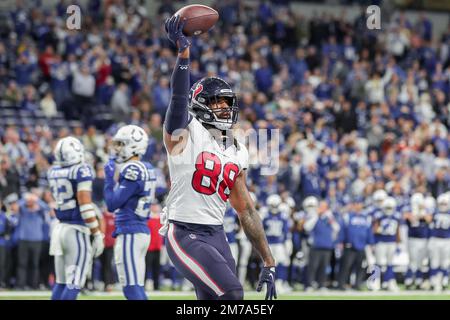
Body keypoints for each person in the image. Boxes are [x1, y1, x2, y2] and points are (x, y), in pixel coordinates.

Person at [160, 15, 276, 300]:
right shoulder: (186, 133)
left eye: (227, 102)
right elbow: (177, 98)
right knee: (232, 294)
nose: (224, 107)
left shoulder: (237, 148)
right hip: (184, 232)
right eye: (216, 101)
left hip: (216, 234)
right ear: (200, 105)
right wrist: (184, 54)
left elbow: (245, 210)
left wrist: (269, 260)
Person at [103, 125, 157, 300]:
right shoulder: (147, 167)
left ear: (133, 145)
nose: (117, 148)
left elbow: (112, 204)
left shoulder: (132, 169)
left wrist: (109, 180)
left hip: (130, 232)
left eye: (121, 144)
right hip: (140, 230)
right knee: (137, 287)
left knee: (131, 289)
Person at [48, 136, 105, 300]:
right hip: (76, 230)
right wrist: (96, 232)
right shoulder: (81, 170)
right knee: (75, 283)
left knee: (61, 282)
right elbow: (85, 206)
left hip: (59, 229)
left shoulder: (53, 171)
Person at [337, 199, 374, 290]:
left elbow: (369, 231)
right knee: (346, 266)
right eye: (356, 204)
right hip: (349, 245)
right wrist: (341, 241)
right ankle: (342, 284)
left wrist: (371, 243)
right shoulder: (347, 216)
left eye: (359, 204)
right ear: (353, 205)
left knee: (360, 267)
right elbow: (342, 230)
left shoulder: (366, 217)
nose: (358, 206)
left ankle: (357, 284)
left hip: (362, 246)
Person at [303, 200, 340, 291]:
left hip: (327, 246)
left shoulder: (329, 218)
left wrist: (330, 217)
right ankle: (309, 285)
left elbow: (337, 228)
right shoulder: (314, 217)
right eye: (321, 206)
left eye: (324, 207)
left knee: (324, 267)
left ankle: (321, 284)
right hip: (316, 246)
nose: (323, 209)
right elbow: (307, 227)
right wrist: (316, 215)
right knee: (313, 266)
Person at [403, 193, 432, 289]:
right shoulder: (409, 209)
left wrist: (420, 214)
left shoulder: (425, 210)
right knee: (412, 261)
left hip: (423, 239)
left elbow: (429, 219)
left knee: (420, 262)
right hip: (412, 238)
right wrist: (419, 215)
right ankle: (409, 280)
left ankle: (419, 280)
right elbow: (408, 217)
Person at [373, 196, 401, 291]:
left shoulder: (396, 217)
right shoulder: (379, 216)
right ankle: (375, 281)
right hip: (381, 242)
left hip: (391, 242)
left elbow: (397, 231)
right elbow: (375, 229)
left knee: (390, 264)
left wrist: (398, 243)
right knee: (378, 263)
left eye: (390, 208)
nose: (389, 210)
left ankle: (389, 282)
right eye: (387, 208)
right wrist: (379, 230)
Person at [428, 193, 450, 292]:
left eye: (445, 203)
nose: (443, 205)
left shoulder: (435, 213)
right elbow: (427, 220)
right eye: (441, 203)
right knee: (435, 262)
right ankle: (434, 281)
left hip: (446, 240)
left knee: (445, 262)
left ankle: (444, 281)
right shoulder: (434, 212)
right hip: (435, 239)